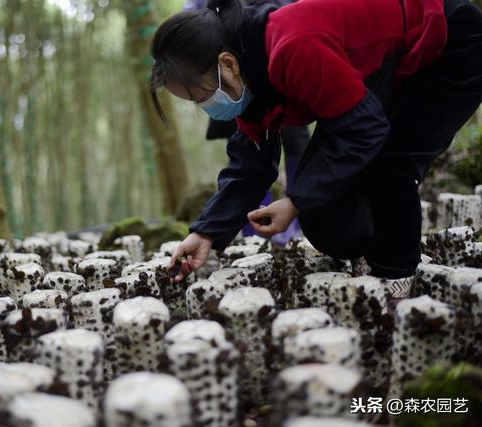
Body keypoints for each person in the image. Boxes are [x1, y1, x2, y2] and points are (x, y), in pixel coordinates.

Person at [150, 0, 482, 299]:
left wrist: (296, 200)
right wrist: (206, 233)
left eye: (200, 96)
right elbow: (250, 165)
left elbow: (365, 130)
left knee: (388, 164)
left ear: (227, 64)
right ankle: (374, 254)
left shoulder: (292, 45)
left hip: (447, 44)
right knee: (323, 212)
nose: (204, 105)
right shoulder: (249, 81)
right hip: (383, 71)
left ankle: (396, 281)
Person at [184, 0, 308, 247]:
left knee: (296, 141)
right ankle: (255, 227)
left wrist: (302, 201)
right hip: (225, 77)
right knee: (246, 148)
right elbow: (192, 18)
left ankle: (300, 219)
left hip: (276, 63)